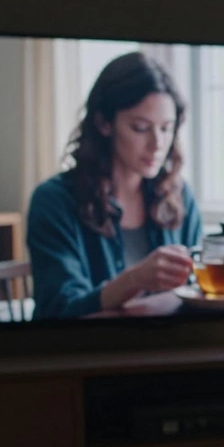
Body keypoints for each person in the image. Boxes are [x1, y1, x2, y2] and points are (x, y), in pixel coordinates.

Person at [27, 52, 202, 319]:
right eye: (141, 128)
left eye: (166, 129)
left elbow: (196, 292)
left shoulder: (178, 197)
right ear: (103, 123)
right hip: (87, 355)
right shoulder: (54, 202)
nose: (157, 145)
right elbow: (60, 311)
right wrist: (135, 279)